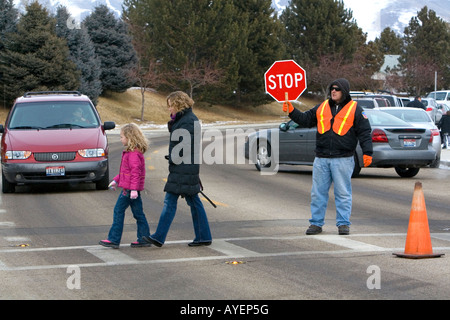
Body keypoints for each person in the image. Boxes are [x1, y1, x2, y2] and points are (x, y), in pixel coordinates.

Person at [283, 78, 373, 235]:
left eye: (337, 89)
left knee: (343, 193)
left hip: (343, 159)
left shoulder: (356, 109)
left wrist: (368, 152)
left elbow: (364, 132)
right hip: (321, 158)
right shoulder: (322, 107)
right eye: (332, 88)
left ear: (344, 91)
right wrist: (292, 110)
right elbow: (305, 120)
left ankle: (343, 224)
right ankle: (316, 224)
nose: (333, 91)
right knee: (318, 193)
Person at [143, 91, 212, 247]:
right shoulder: (187, 119)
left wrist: (174, 157)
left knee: (171, 201)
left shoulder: (187, 121)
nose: (169, 109)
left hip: (183, 168)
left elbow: (184, 146)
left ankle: (159, 237)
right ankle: (203, 236)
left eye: (170, 106)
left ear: (177, 104)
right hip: (186, 167)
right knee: (193, 202)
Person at [99, 123, 151, 248]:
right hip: (131, 189)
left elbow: (135, 173)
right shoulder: (131, 152)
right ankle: (144, 238)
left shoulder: (133, 154)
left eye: (122, 136)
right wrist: (116, 180)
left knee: (118, 210)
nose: (120, 139)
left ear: (129, 137)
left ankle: (114, 239)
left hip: (129, 190)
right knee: (138, 214)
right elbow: (125, 172)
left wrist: (133, 189)